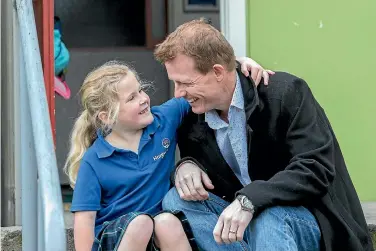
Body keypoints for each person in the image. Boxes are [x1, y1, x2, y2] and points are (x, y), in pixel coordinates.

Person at [155, 19, 374, 251]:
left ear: (218, 71)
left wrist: (251, 199)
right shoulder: (191, 116)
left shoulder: (285, 93)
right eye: (175, 83)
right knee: (176, 200)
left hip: (308, 222)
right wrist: (185, 165)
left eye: (185, 82)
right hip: (245, 227)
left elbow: (316, 168)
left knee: (270, 216)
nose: (178, 93)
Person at [65, 58, 270, 251]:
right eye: (132, 98)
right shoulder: (95, 159)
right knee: (140, 223)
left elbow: (202, 88)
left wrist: (237, 64)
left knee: (167, 223)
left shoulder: (162, 120)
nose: (144, 99)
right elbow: (85, 220)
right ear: (107, 117)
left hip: (157, 235)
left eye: (140, 90)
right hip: (118, 240)